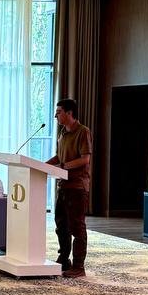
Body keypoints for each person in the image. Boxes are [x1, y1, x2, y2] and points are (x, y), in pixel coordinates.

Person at [46, 97, 93, 278]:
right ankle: (64, 259)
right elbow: (59, 157)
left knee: (77, 227)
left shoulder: (83, 132)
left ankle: (79, 266)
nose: (56, 116)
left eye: (58, 112)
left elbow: (85, 159)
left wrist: (63, 166)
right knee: (61, 226)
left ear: (69, 113)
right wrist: (41, 165)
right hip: (63, 185)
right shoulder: (62, 133)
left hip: (77, 186)